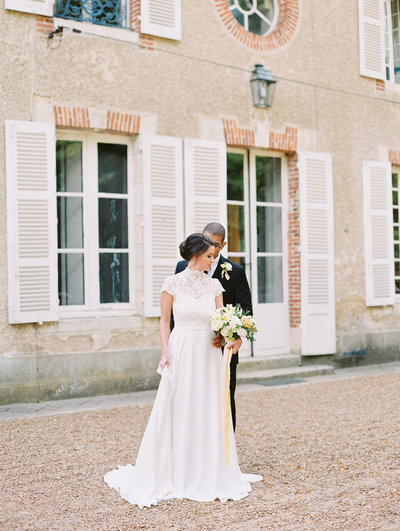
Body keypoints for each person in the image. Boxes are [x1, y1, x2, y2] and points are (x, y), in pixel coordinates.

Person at [104, 233, 261, 508]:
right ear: (196, 255)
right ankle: (176, 468)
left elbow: (221, 320)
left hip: (207, 354)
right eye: (210, 256)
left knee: (207, 406)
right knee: (178, 405)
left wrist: (227, 336)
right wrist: (165, 352)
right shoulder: (172, 283)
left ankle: (206, 469)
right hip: (181, 350)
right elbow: (165, 322)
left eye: (215, 256)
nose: (213, 260)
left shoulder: (214, 286)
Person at [174, 222, 252, 430]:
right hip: (191, 347)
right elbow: (177, 309)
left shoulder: (235, 271)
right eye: (205, 240)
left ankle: (226, 452)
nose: (209, 247)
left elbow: (245, 310)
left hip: (222, 349)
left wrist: (232, 336)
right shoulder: (182, 268)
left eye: (214, 244)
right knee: (191, 397)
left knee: (224, 396)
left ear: (223, 245)